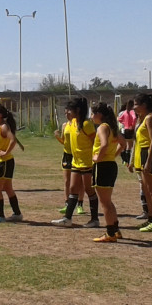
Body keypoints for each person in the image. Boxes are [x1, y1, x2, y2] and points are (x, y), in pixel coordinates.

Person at [52, 97, 99, 228]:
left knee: (89, 190)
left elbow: (96, 141)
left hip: (87, 163)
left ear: (77, 110)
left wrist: (96, 157)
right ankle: (67, 218)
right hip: (75, 162)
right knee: (73, 189)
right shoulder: (71, 123)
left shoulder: (86, 125)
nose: (67, 112)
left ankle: (95, 219)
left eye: (70, 110)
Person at [129, 92, 152, 231]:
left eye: (136, 104)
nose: (134, 107)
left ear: (144, 105)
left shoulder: (150, 118)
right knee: (146, 190)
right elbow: (137, 140)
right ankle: (150, 218)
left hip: (150, 154)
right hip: (142, 154)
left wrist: (149, 161)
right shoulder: (142, 118)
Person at [90, 102, 124, 242]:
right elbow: (124, 144)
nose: (91, 117)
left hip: (102, 166)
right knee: (108, 201)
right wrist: (113, 156)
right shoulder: (112, 127)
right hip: (111, 165)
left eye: (92, 114)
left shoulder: (102, 127)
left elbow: (104, 144)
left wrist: (98, 157)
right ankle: (115, 230)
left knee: (104, 202)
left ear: (99, 115)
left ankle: (110, 233)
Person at [0, 103, 24, 223]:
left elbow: (13, 140)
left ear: (0, 115)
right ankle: (17, 213)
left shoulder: (3, 127)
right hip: (5, 162)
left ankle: (0, 215)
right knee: (8, 188)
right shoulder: (0, 126)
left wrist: (6, 152)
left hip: (4, 162)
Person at [52, 103, 83, 215]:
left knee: (79, 182)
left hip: (77, 155)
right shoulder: (65, 125)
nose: (66, 115)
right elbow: (64, 142)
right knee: (67, 181)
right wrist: (57, 137)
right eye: (65, 113)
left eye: (68, 112)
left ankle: (80, 204)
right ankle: (67, 203)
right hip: (67, 155)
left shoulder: (78, 124)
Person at [117, 99, 137, 165]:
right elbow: (134, 118)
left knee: (125, 145)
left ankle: (125, 160)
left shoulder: (125, 112)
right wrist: (133, 126)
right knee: (130, 145)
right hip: (130, 129)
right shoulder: (132, 111)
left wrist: (124, 123)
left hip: (125, 129)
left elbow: (119, 119)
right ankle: (129, 161)